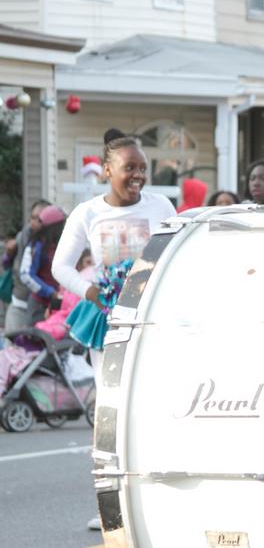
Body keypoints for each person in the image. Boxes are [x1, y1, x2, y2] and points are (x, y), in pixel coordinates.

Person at [51, 128, 176, 531]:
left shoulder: (162, 205)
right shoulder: (87, 213)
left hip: (155, 316)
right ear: (107, 171)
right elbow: (60, 267)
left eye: (143, 167)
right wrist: (91, 291)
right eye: (129, 168)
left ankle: (155, 498)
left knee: (154, 406)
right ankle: (112, 505)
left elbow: (176, 249)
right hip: (109, 320)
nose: (138, 174)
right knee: (112, 411)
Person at [3, 200, 50, 331]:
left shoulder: (55, 241)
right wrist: (9, 253)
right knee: (13, 347)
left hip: (45, 309)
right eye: (33, 218)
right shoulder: (23, 237)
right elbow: (6, 264)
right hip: (20, 304)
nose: (34, 222)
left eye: (39, 219)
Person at [19, 205, 67, 327]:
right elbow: (25, 274)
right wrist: (50, 292)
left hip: (59, 304)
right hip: (39, 306)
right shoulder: (36, 246)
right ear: (54, 227)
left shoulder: (61, 246)